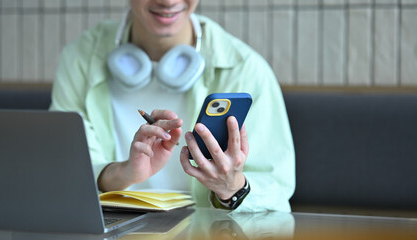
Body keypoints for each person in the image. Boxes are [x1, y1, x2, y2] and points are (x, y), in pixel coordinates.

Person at [50, 0, 295, 212]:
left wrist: (231, 188)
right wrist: (121, 174)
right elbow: (63, 173)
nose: (168, 1)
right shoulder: (81, 58)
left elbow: (276, 191)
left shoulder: (245, 69)